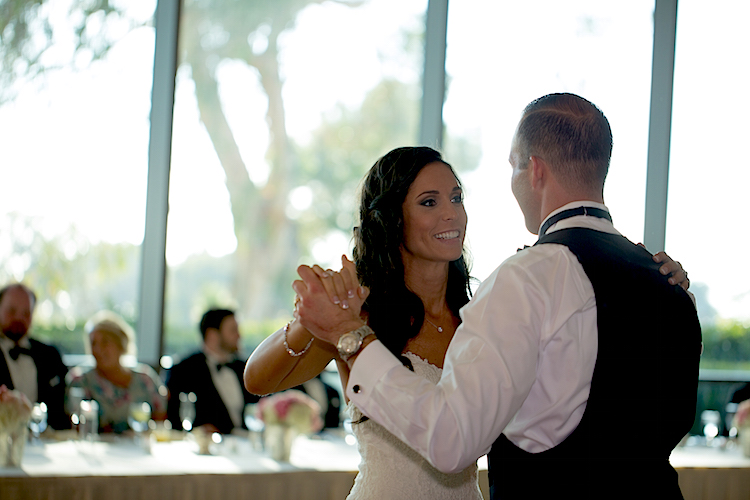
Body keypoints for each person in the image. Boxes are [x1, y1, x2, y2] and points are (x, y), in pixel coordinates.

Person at [294, 94, 702, 499]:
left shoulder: (527, 279)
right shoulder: (667, 281)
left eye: (513, 166)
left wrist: (350, 334)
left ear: (534, 170)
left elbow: (452, 439)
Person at [67, 311, 167, 433]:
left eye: (105, 342)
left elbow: (161, 420)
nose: (98, 349)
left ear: (121, 344)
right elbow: (72, 424)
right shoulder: (80, 380)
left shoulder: (145, 379)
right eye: (93, 343)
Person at [167, 308, 259, 434]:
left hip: (244, 445)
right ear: (212, 335)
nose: (239, 335)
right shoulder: (184, 369)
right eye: (233, 330)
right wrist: (197, 432)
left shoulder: (244, 367)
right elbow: (174, 418)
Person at [0, 283, 70, 430]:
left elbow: (61, 410)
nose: (19, 318)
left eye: (26, 313)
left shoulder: (50, 355)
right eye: (11, 311)